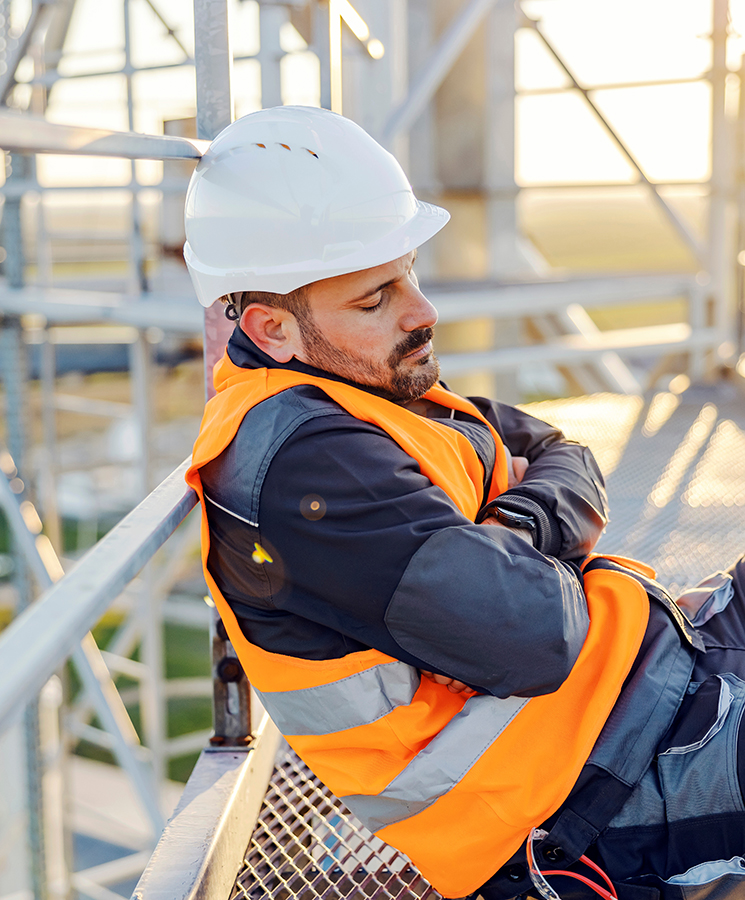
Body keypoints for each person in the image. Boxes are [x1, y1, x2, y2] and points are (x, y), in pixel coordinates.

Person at [184, 106, 745, 900]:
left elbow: (563, 451)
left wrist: (507, 529)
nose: (421, 311)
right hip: (594, 786)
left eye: (409, 272)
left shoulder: (366, 387)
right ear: (273, 328)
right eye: (375, 298)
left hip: (652, 672)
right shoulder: (306, 468)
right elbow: (535, 635)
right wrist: (531, 521)